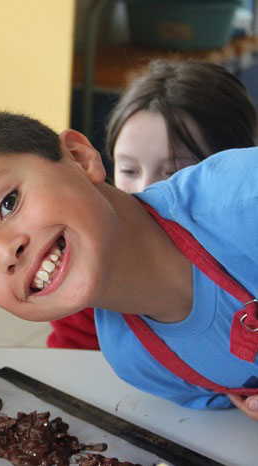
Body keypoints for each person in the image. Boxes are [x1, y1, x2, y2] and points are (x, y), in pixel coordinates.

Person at [0, 111, 258, 421]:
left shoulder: (243, 198)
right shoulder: (138, 362)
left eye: (8, 203)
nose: (4, 252)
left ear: (79, 157)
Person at [48, 59, 257, 350]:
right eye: (129, 171)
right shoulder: (92, 272)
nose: (146, 190)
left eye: (173, 173)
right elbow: (72, 366)